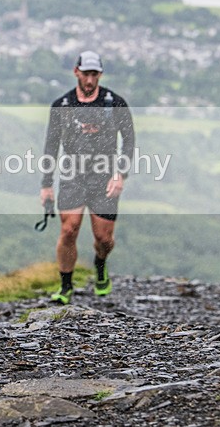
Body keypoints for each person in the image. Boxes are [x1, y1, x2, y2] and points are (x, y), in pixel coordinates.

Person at [39, 51, 134, 303]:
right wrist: (46, 184)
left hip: (105, 175)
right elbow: (51, 145)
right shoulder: (62, 106)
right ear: (76, 72)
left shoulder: (115, 103)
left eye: (94, 74)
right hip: (72, 174)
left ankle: (100, 264)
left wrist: (120, 174)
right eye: (85, 74)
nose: (90, 80)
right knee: (69, 229)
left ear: (100, 74)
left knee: (104, 238)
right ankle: (65, 286)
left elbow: (129, 141)